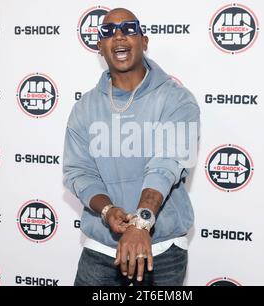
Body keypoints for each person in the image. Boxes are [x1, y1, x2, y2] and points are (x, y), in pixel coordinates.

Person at [63, 8, 200, 286]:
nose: (119, 36)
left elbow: (167, 165)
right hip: (101, 250)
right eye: (108, 32)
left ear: (144, 41)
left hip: (161, 253)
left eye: (128, 29)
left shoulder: (177, 99)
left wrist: (141, 222)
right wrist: (107, 210)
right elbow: (78, 172)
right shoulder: (84, 108)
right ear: (100, 48)